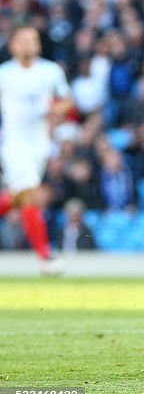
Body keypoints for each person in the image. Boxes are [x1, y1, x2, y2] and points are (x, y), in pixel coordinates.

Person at [0, 26, 74, 274]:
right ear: (13, 46)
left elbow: (66, 100)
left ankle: (45, 258)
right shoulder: (4, 74)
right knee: (31, 194)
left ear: (38, 45)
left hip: (40, 145)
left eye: (32, 40)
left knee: (18, 198)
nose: (28, 44)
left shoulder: (50, 71)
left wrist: (57, 111)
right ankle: (46, 258)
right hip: (14, 144)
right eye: (22, 40)